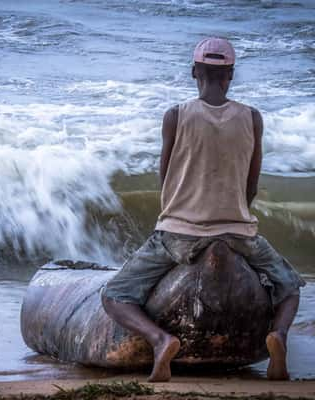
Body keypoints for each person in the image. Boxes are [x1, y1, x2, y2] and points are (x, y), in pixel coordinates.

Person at [100, 37, 306, 382]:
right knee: (290, 286)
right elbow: (250, 185)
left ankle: (161, 340)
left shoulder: (175, 116)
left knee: (116, 294)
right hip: (238, 232)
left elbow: (165, 180)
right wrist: (234, 213)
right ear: (231, 75)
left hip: (179, 232)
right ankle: (279, 336)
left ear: (195, 72)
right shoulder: (252, 118)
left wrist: (175, 215)